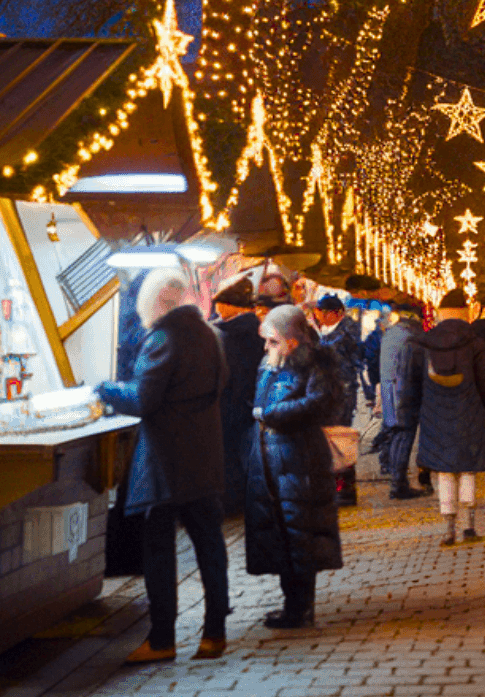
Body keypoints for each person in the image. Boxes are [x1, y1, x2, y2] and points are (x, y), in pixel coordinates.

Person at [94, 269, 231, 664]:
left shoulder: (162, 339)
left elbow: (142, 400)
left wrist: (105, 389)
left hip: (166, 464)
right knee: (210, 545)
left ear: (153, 303)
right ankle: (215, 633)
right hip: (204, 457)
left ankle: (162, 639)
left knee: (159, 551)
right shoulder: (209, 334)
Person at [245, 304, 347, 629]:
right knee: (280, 532)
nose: (266, 347)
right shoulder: (270, 365)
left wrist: (274, 414)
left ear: (291, 339)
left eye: (272, 341)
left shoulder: (313, 364)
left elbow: (320, 402)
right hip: (269, 460)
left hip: (300, 458)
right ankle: (293, 604)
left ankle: (300, 607)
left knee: (299, 531)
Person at [401, 300, 485, 545]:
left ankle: (448, 528)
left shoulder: (422, 344)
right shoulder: (474, 344)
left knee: (444, 472)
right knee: (467, 469)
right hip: (470, 416)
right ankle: (469, 526)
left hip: (433, 418)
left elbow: (410, 386)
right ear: (465, 315)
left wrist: (410, 414)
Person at [210, 276, 264, 517]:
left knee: (229, 456)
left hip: (230, 406)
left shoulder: (232, 334)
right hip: (245, 405)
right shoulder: (254, 331)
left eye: (219, 303)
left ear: (230, 305)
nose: (216, 308)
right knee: (241, 456)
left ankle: (231, 503)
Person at [312, 292, 364, 505]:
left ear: (335, 314)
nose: (319, 317)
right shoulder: (328, 333)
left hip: (341, 393)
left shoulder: (344, 333)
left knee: (340, 439)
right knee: (333, 440)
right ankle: (339, 486)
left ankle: (344, 488)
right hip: (331, 392)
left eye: (322, 313)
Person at [376, 295, 426, 499]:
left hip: (390, 390)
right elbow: (418, 367)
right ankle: (398, 484)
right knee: (404, 436)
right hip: (406, 391)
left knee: (395, 434)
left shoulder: (390, 333)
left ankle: (394, 477)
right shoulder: (413, 334)